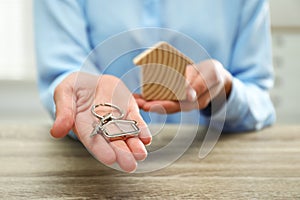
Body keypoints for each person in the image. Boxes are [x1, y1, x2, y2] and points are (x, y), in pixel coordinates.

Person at [34, 0, 276, 172]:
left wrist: (225, 91)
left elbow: (260, 100)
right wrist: (77, 90)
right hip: (92, 170)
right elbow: (64, 72)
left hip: (211, 168)